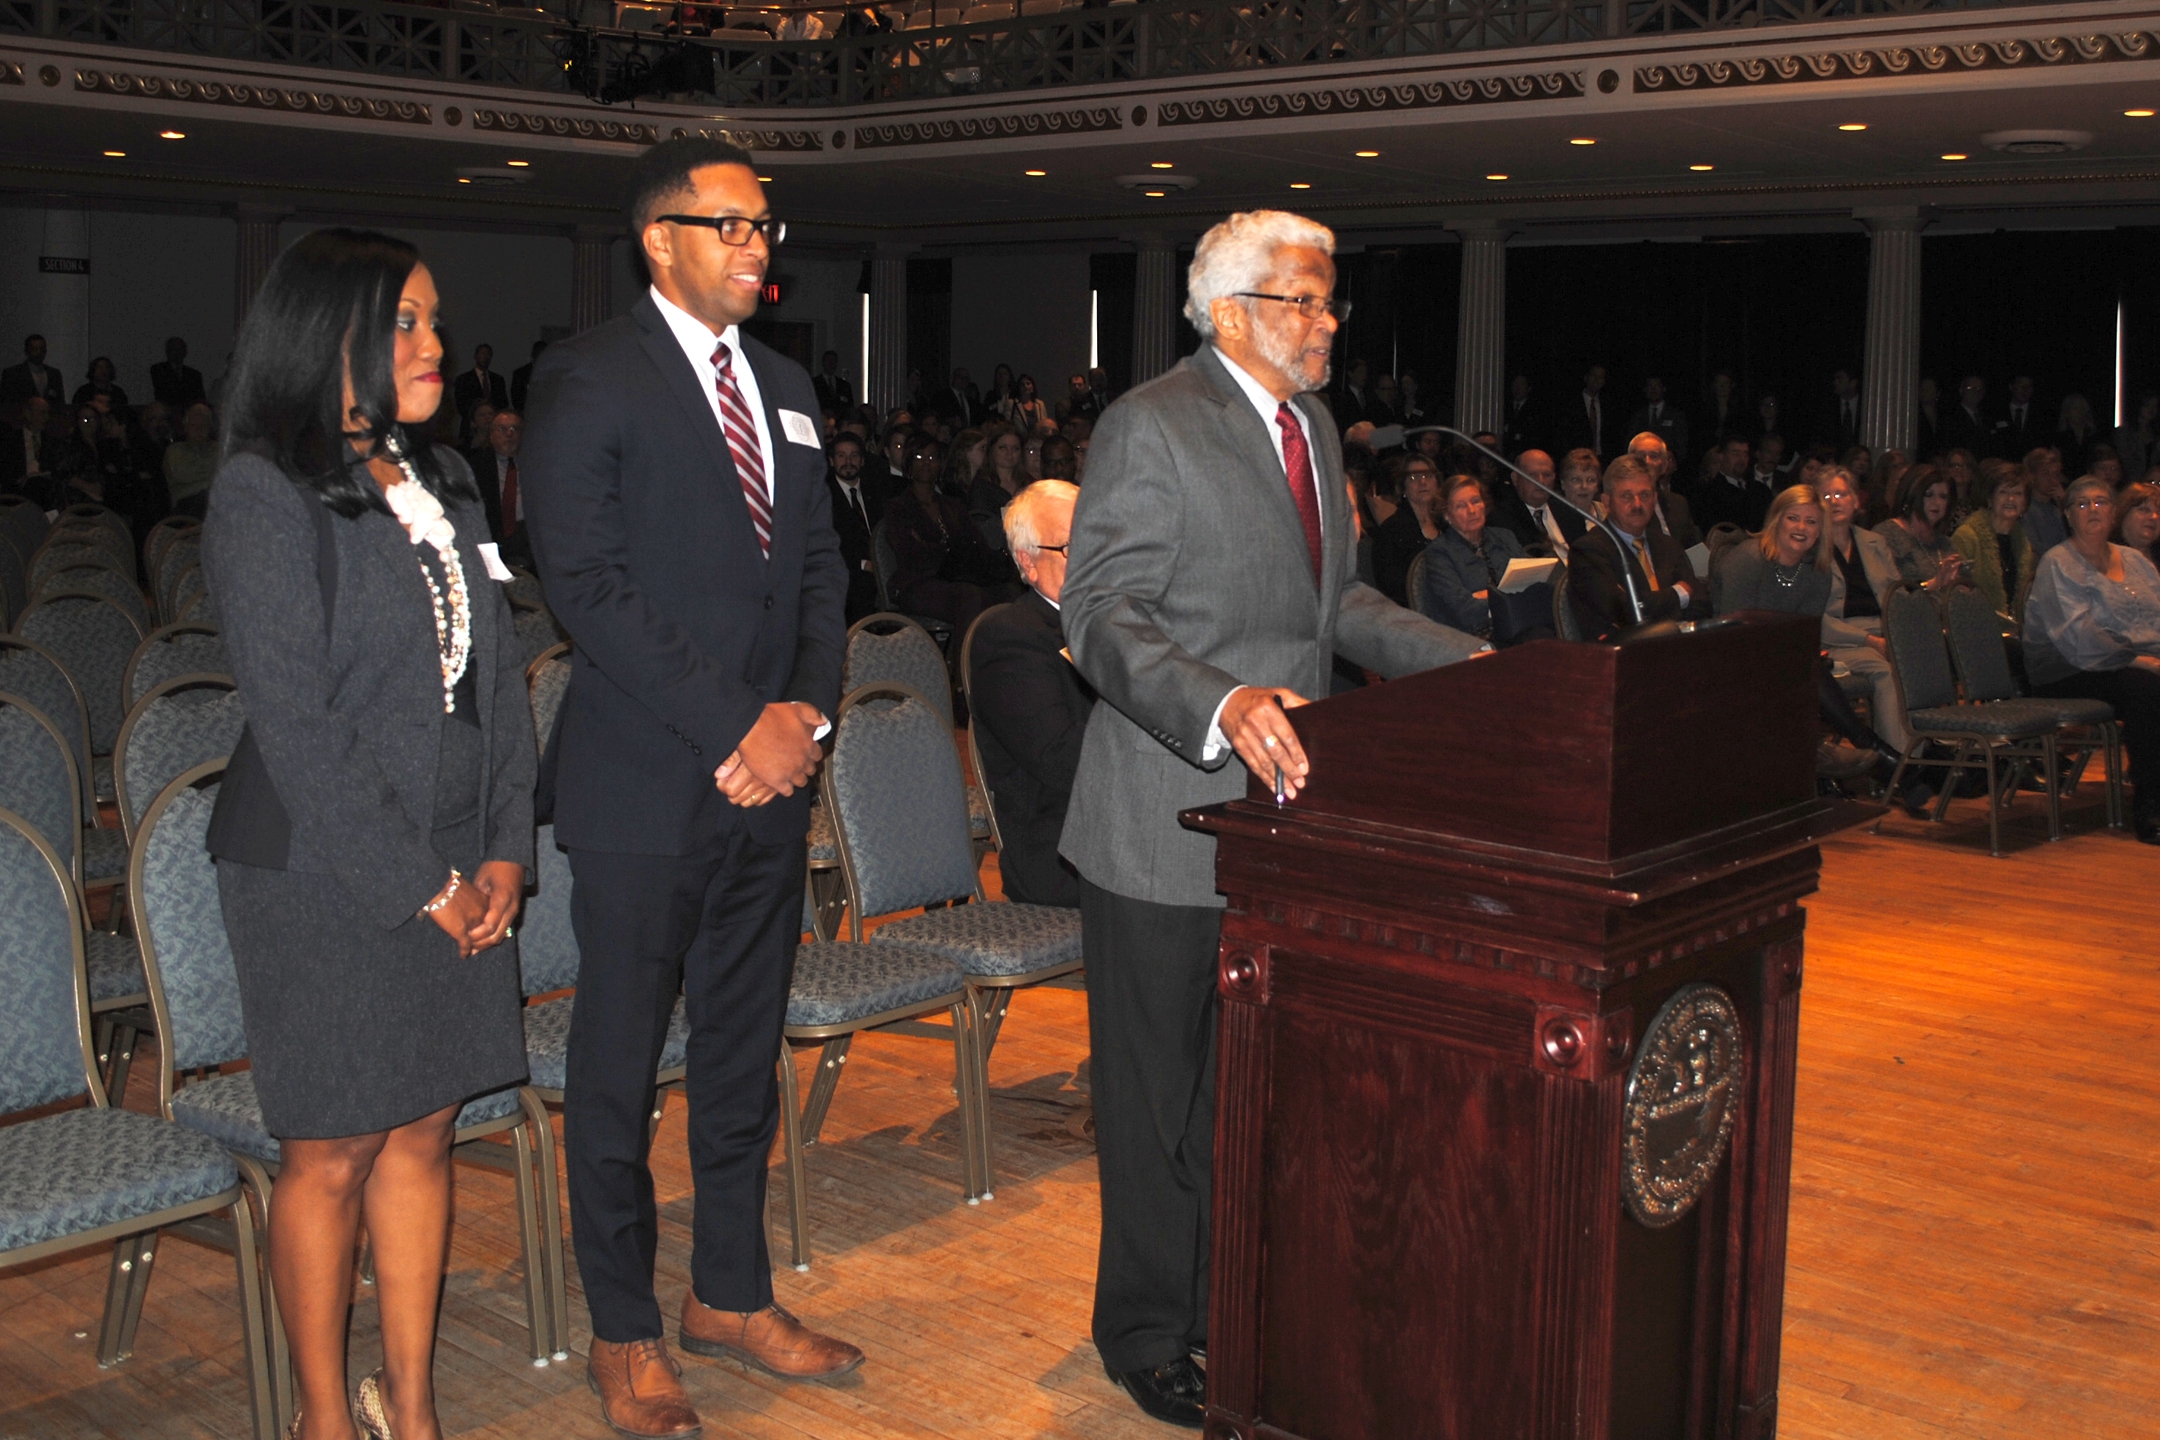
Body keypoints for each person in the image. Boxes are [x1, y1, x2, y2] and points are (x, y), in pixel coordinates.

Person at [1058, 209, 1484, 1430]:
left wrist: (1475, 665)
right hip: (1159, 817)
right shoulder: (1152, 425)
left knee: (1247, 1096)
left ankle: (1223, 1302)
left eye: (1329, 298)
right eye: (1305, 298)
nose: (1328, 319)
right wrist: (1225, 698)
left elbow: (1332, 604)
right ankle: (1144, 1331)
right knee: (1156, 1105)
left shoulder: (1305, 429)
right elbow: (1104, 613)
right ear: (1234, 311)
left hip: (1283, 826)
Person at [522, 136, 856, 1440]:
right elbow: (587, 585)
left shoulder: (784, 384)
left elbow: (823, 569)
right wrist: (739, 724)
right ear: (661, 238)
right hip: (646, 785)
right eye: (732, 225)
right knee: (615, 1073)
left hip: (769, 786)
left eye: (767, 226)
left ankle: (730, 1291)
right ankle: (623, 1327)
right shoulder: (588, 377)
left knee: (735, 1059)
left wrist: (808, 717)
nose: (758, 246)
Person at [199, 228, 536, 1440]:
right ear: (326, 333)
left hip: (456, 852)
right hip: (321, 869)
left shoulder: (443, 480)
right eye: (404, 321)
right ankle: (324, 1418)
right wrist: (424, 884)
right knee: (332, 1149)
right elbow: (295, 725)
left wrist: (504, 848)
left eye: (435, 320)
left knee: (426, 1129)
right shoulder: (262, 492)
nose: (434, 343)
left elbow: (496, 678)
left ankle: (416, 1399)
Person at [1714, 484, 1928, 808]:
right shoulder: (1747, 560)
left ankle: (1863, 759)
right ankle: (1876, 762)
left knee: (1807, 668)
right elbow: (1733, 631)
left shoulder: (1817, 572)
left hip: (1786, 661)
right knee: (1804, 670)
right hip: (1730, 660)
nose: (1801, 528)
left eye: (1811, 522)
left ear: (1820, 531)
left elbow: (1806, 633)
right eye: (1793, 518)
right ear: (1777, 520)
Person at [969, 480, 1094, 906]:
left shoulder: (1111, 625)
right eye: (1071, 548)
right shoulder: (1011, 634)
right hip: (1062, 853)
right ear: (1028, 560)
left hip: (1120, 833)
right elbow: (1061, 760)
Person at [2025, 475, 2160, 843]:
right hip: (2067, 668)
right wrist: (2142, 661)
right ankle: (2151, 806)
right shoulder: (2058, 562)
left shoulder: (2135, 561)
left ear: (2113, 512)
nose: (2092, 510)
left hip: (2134, 662)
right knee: (2146, 689)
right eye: (2082, 504)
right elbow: (2079, 637)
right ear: (2069, 515)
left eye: (2100, 502)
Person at [1818, 466, 1912, 761]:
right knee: (1885, 671)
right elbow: (1816, 617)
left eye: (1841, 494)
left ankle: (1928, 751)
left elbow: (1898, 596)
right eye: (1827, 495)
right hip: (1841, 640)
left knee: (1924, 662)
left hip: (1886, 631)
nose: (1834, 501)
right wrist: (1870, 641)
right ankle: (1897, 763)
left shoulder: (1875, 542)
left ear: (1856, 501)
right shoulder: (1812, 547)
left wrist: (1894, 634)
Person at [885, 432, 1018, 635]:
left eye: (932, 457)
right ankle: (961, 665)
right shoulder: (899, 507)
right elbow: (910, 553)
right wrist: (950, 555)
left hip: (957, 577)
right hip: (916, 583)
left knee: (1011, 590)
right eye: (919, 458)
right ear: (909, 464)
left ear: (940, 463)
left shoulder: (952, 505)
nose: (926, 463)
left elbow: (976, 544)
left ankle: (1002, 659)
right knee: (969, 597)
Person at [1567, 454, 1707, 641]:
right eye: (1627, 496)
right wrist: (1678, 594)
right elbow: (1624, 610)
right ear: (1607, 502)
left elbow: (1702, 602)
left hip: (1675, 646)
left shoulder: (1667, 544)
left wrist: (1660, 613)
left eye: (1645, 495)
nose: (1637, 504)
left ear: (1655, 498)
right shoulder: (1588, 551)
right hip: (1620, 655)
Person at [1421, 472, 1546, 643]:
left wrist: (1487, 596)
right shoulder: (1440, 553)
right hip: (1473, 638)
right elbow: (1464, 610)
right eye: (1461, 506)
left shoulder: (1504, 537)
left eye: (1475, 501)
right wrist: (1506, 599)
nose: (1472, 511)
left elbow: (1535, 580)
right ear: (1447, 516)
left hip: (1521, 624)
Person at [1952, 461, 2036, 634]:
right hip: (1974, 632)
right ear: (1990, 498)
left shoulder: (2024, 544)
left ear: (2025, 504)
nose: (2011, 499)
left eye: (2018, 493)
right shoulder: (1967, 537)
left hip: (2012, 635)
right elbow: (1956, 596)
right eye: (2004, 492)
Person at [1873, 464, 1968, 594]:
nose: (1937, 502)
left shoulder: (1945, 543)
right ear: (1913, 496)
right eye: (1929, 495)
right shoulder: (1886, 535)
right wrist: (1933, 584)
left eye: (1943, 497)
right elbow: (1886, 593)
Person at [825, 432, 884, 622]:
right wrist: (864, 564)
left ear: (862, 461)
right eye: (841, 455)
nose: (848, 461)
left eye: (854, 455)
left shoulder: (876, 492)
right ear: (832, 461)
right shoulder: (823, 497)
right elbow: (827, 546)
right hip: (843, 571)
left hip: (882, 567)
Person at [1370, 451, 1439, 606]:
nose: (1423, 482)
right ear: (1403, 487)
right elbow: (1391, 587)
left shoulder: (1447, 524)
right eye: (1414, 477)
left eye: (1428, 476)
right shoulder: (1390, 532)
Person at [1491, 447, 1583, 559]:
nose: (1540, 481)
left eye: (1547, 475)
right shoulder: (1501, 519)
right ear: (1515, 478)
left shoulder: (1570, 513)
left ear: (1554, 477)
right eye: (1532, 475)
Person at [467, 409, 530, 567]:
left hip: (529, 538)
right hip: (492, 540)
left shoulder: (535, 464)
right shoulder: (476, 466)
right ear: (491, 434)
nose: (509, 434)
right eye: (502, 429)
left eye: (515, 429)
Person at [1628, 431, 1700, 550]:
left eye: (1654, 456)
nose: (1647, 461)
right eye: (1641, 456)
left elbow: (1693, 546)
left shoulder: (1678, 503)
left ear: (1664, 465)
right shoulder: (1623, 503)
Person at [1696, 435, 1773, 534]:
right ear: (1722, 456)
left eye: (1745, 454)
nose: (1742, 459)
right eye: (1735, 454)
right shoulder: (1708, 493)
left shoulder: (1761, 490)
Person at [163, 399, 220, 519]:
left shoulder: (219, 448)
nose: (199, 430)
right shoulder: (175, 450)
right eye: (194, 425)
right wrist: (211, 480)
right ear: (186, 426)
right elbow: (181, 474)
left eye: (203, 425)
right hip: (187, 505)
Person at [0, 395, 57, 505]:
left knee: (40, 485)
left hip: (45, 485)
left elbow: (56, 467)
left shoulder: (51, 441)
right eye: (42, 413)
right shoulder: (10, 439)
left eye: (47, 413)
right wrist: (18, 479)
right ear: (28, 413)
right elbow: (5, 467)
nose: (46, 418)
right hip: (19, 488)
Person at [451, 344, 507, 443]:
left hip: (494, 429)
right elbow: (461, 405)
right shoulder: (463, 379)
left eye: (489, 355)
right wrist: (476, 420)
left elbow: (503, 403)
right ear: (475, 356)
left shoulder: (497, 380)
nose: (486, 357)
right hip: (470, 429)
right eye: (483, 353)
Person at [1627, 375, 1689, 462]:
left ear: (1663, 389)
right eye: (1650, 386)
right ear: (1645, 389)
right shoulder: (1638, 415)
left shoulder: (1675, 414)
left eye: (1657, 386)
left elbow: (1681, 444)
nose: (1653, 390)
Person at [2021, 445, 2069, 556]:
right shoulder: (2025, 509)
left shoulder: (2056, 509)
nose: (2052, 480)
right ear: (2032, 476)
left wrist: (2065, 507)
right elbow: (2035, 547)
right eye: (2045, 474)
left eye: (2056, 474)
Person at [0, 333, 64, 404]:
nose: (39, 352)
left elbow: (60, 402)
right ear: (26, 351)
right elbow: (7, 403)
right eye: (34, 349)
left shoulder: (54, 374)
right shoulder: (12, 374)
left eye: (42, 349)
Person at [2114, 480, 2160, 569]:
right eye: (2144, 510)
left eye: (2159, 512)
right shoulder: (2108, 554)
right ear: (2125, 512)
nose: (2154, 517)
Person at [151, 336, 207, 409]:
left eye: (179, 349)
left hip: (190, 412)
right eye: (173, 349)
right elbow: (163, 393)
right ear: (167, 351)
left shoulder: (194, 374)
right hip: (167, 411)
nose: (177, 352)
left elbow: (200, 397)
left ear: (185, 352)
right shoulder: (159, 369)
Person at [2113, 392, 2158, 481]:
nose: (2151, 409)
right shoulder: (2124, 432)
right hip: (2130, 484)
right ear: (2139, 406)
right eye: (2147, 405)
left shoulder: (2156, 433)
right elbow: (2124, 462)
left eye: (2155, 406)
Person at [2056, 392, 2100, 479]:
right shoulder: (2060, 439)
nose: (2080, 411)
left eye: (2083, 408)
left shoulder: (2095, 437)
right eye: (2076, 408)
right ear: (2067, 413)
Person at [510, 339, 547, 414]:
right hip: (527, 415)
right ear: (533, 354)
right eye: (539, 353)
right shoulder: (520, 374)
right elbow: (516, 400)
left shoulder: (553, 373)